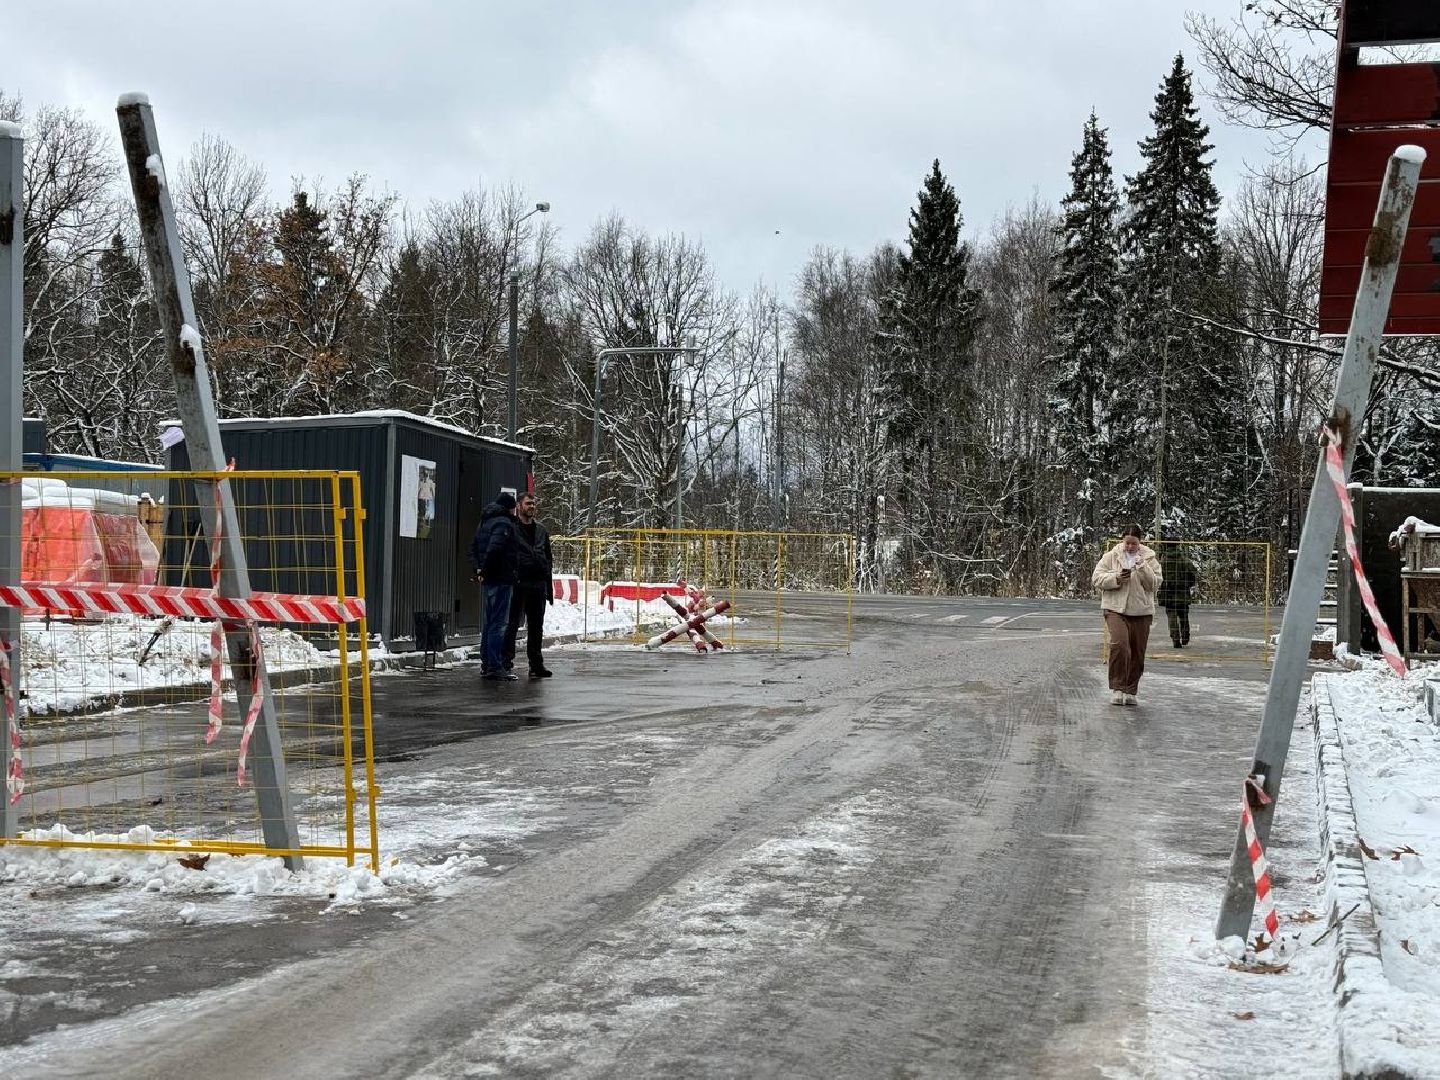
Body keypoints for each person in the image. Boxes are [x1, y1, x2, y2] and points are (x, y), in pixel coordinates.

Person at [1092, 523, 1162, 706]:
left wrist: (1143, 568)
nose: (1130, 546)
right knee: (1120, 645)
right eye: (1127, 543)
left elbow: (1154, 585)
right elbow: (1096, 578)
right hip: (1115, 608)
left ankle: (1130, 690)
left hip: (1141, 611)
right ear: (1122, 541)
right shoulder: (1111, 556)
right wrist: (1115, 578)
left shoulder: (1150, 559)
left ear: (1140, 542)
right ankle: (1117, 687)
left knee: (1137, 651)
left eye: (1134, 543)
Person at [504, 491, 554, 678]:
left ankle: (536, 664)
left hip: (538, 583)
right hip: (518, 582)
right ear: (518, 506)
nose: (531, 507)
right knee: (512, 624)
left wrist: (548, 583)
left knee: (536, 626)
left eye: (533, 504)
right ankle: (506, 662)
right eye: (528, 503)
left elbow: (548, 557)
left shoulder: (541, 530)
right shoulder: (512, 528)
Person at [470, 491, 519, 680]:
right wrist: (485, 571)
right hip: (501, 578)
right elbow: (495, 549)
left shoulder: (484, 522)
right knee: (498, 625)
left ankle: (487, 663)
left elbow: (473, 548)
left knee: (490, 623)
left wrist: (479, 570)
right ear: (510, 508)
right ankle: (495, 666)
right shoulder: (503, 523)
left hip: (490, 579)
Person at [1157, 544, 1198, 648]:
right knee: (1184, 615)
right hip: (1182, 591)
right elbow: (1193, 574)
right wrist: (1187, 584)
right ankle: (1185, 636)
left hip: (1168, 592)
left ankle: (1175, 638)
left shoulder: (1162, 562)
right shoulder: (1185, 560)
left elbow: (1157, 576)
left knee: (1171, 616)